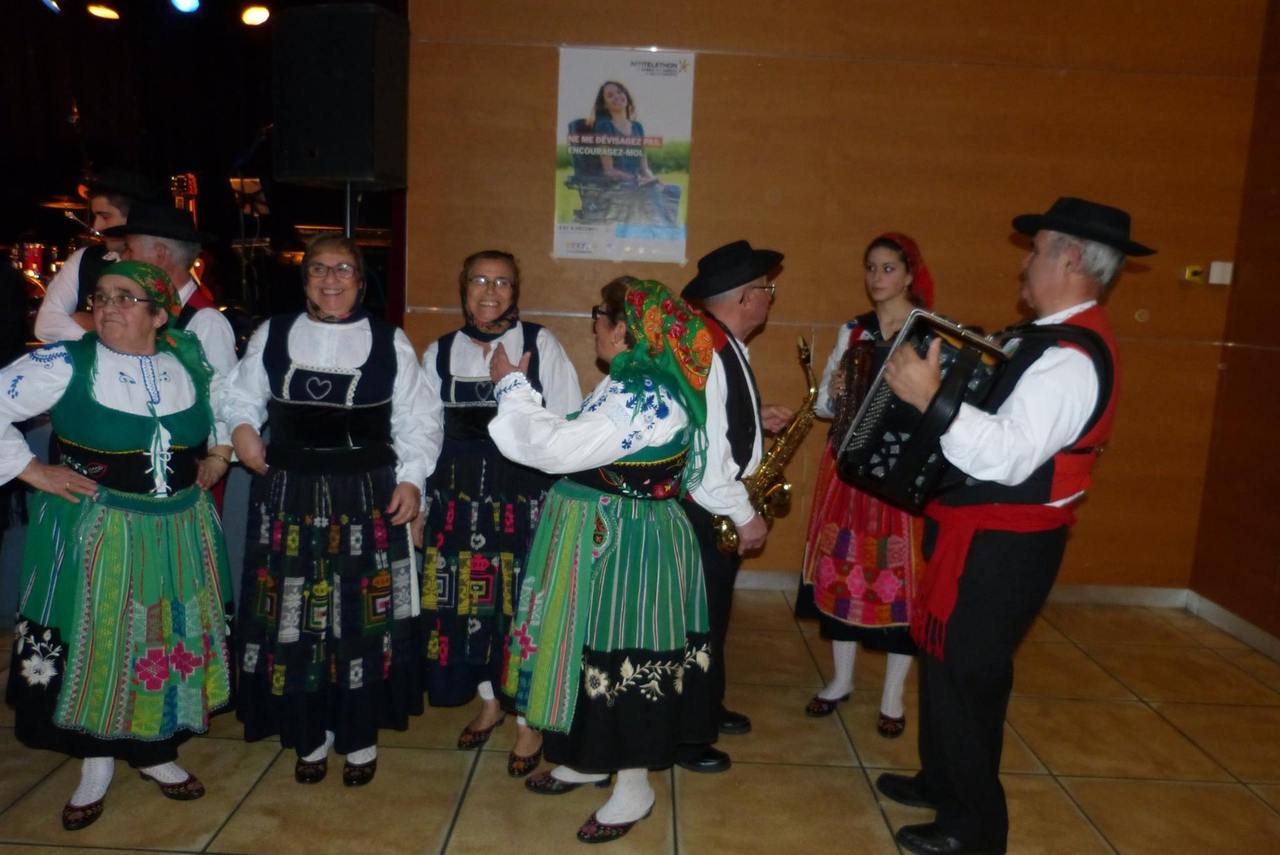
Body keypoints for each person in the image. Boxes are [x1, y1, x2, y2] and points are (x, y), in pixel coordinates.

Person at [876, 197, 1149, 855]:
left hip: (1006, 544)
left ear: (1071, 258)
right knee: (946, 664)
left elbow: (1005, 456)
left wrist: (930, 398)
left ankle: (974, 827)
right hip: (979, 530)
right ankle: (942, 780)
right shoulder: (1040, 338)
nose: (1024, 264)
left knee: (969, 677)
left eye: (1036, 250)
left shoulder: (1071, 358)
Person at [1, 260, 234, 831]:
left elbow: (231, 404)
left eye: (125, 298)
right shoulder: (66, 362)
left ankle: (155, 751)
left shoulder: (188, 359)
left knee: (164, 635)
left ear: (159, 315)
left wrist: (218, 454)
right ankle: (96, 762)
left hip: (179, 529)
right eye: (101, 297)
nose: (106, 308)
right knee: (101, 639)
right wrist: (32, 470)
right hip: (98, 530)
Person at [490, 277, 715, 843]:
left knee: (625, 652)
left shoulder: (645, 398)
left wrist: (511, 387)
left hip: (629, 541)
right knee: (586, 647)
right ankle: (588, 759)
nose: (594, 323)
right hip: (601, 534)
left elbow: (553, 448)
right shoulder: (631, 385)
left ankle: (634, 785)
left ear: (623, 331)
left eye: (601, 314)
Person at [223, 235, 435, 787]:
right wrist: (242, 429)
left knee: (362, 617)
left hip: (366, 495)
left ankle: (359, 737)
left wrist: (412, 479)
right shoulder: (273, 333)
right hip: (288, 495)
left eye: (343, 269)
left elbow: (418, 419)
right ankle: (309, 733)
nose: (331, 279)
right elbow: (238, 395)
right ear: (305, 280)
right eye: (319, 269)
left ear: (361, 281)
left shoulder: (390, 341)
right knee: (295, 617)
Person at [417, 249, 580, 776]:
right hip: (458, 505)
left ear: (516, 291)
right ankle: (490, 702)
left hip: (523, 502)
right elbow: (423, 431)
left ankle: (528, 721)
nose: (490, 291)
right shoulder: (439, 351)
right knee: (469, 610)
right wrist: (419, 501)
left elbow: (567, 426)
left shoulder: (540, 344)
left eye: (502, 282)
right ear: (463, 287)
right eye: (480, 280)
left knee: (522, 612)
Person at [800, 233, 934, 734]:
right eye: (871, 268)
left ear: (910, 274)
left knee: (900, 578)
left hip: (899, 471)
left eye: (888, 268)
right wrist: (835, 391)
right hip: (849, 468)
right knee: (842, 569)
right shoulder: (853, 331)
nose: (877, 278)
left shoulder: (929, 333)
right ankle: (841, 680)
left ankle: (893, 697)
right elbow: (822, 407)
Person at [676, 239, 793, 773]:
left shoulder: (726, 346)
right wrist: (744, 515)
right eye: (767, 290)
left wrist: (755, 420)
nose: (770, 298)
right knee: (698, 623)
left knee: (714, 617)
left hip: (715, 507)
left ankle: (707, 705)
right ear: (746, 297)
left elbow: (720, 422)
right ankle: (688, 736)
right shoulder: (710, 351)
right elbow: (704, 457)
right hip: (706, 510)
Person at [34, 168, 166, 344]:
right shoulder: (83, 259)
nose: (97, 227)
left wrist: (91, 325)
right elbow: (46, 326)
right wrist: (122, 337)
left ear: (135, 218)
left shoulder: (162, 264)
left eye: (105, 217)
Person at [105, 203, 238, 377]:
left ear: (160, 254)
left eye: (129, 250)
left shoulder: (207, 323)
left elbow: (222, 392)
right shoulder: (144, 308)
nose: (123, 257)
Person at [586, 81, 679, 226]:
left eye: (619, 92)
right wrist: (635, 179)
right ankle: (666, 228)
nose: (617, 96)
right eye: (610, 95)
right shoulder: (604, 126)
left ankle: (667, 228)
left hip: (638, 182)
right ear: (605, 105)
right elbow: (609, 170)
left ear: (626, 95)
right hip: (618, 183)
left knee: (671, 190)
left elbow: (645, 168)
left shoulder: (637, 127)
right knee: (651, 192)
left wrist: (655, 180)